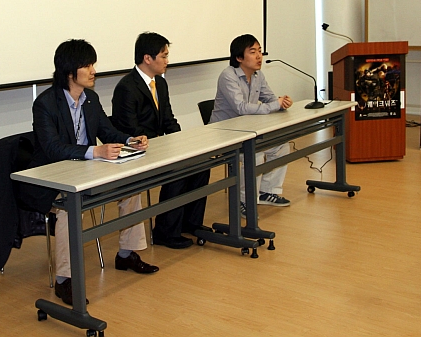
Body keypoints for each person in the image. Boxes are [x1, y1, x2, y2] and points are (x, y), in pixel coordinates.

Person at [20, 39, 158, 306]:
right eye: (87, 65)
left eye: (93, 64)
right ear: (69, 71)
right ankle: (65, 279)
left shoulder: (90, 99)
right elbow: (52, 148)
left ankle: (126, 254)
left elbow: (106, 130)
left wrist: (129, 140)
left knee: (131, 187)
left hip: (88, 171)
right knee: (67, 209)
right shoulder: (45, 104)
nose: (93, 71)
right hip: (54, 176)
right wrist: (94, 151)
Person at [111, 32, 211, 249]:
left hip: (156, 147)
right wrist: (162, 146)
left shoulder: (160, 84)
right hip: (136, 152)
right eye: (163, 56)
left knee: (201, 164)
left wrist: (182, 141)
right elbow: (130, 129)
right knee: (177, 171)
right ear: (148, 58)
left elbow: (168, 120)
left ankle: (190, 223)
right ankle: (165, 232)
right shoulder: (127, 87)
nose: (167, 61)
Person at [210, 34, 293, 217]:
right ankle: (245, 200)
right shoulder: (228, 76)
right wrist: (274, 105)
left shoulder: (258, 75)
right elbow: (241, 108)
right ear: (239, 57)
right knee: (255, 153)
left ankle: (266, 192)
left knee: (281, 145)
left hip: (247, 131)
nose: (259, 56)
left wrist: (282, 102)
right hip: (224, 133)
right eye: (253, 52)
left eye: (260, 51)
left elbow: (270, 98)